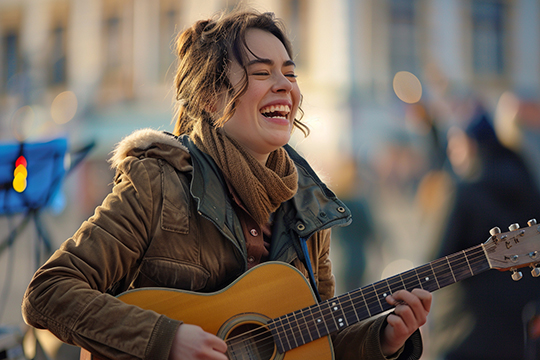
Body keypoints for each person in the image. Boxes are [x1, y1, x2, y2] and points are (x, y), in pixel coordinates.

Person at [22, 7, 431, 360]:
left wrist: (384, 340)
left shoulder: (306, 206)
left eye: (290, 73)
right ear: (210, 97)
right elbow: (48, 293)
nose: (285, 86)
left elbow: (317, 341)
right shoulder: (158, 182)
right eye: (261, 72)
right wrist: (166, 339)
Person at [435, 104, 540, 360]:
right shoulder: (530, 186)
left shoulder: (465, 193)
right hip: (521, 334)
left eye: (455, 143)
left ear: (470, 144)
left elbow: (436, 259)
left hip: (465, 332)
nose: (451, 152)